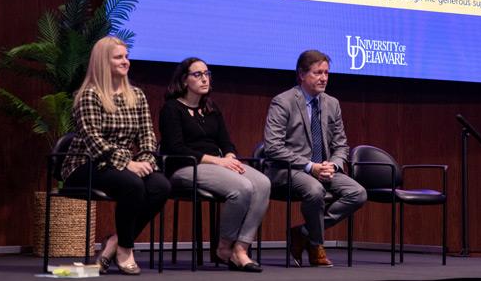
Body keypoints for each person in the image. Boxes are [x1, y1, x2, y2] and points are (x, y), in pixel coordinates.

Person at [61, 36, 171, 276]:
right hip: (85, 163)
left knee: (160, 185)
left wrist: (145, 162)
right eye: (119, 57)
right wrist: (129, 164)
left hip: (123, 164)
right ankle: (125, 249)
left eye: (126, 57)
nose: (126, 62)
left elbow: (147, 136)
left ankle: (113, 243)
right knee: (132, 184)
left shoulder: (137, 96)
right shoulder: (89, 95)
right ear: (103, 62)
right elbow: (93, 142)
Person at [160, 57, 270, 273]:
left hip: (217, 164)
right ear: (184, 81)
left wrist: (229, 156)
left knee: (263, 183)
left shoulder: (211, 108)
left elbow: (226, 142)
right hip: (184, 168)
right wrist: (218, 161)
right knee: (243, 187)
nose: (204, 78)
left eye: (207, 74)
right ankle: (224, 247)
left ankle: (240, 249)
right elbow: (176, 149)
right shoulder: (171, 109)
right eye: (197, 74)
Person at [263, 50, 366, 267]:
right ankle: (317, 244)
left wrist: (334, 164)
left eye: (327, 73)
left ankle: (303, 232)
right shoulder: (283, 102)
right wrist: (311, 166)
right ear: (302, 75)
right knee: (315, 190)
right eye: (318, 73)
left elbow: (341, 145)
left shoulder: (332, 104)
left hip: (322, 168)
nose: (324, 78)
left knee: (358, 193)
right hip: (288, 170)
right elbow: (273, 147)